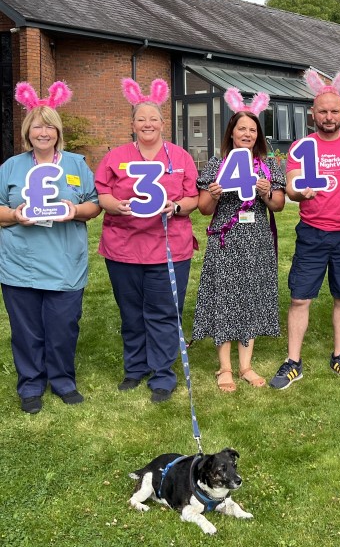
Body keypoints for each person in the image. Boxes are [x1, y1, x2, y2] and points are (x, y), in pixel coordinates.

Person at [269, 68, 340, 390]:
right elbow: (290, 187)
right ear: (312, 114)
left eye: (334, 111)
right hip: (313, 232)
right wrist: (297, 193)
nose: (329, 117)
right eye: (323, 111)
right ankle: (293, 361)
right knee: (300, 298)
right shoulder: (301, 147)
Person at [95, 78, 198, 403]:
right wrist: (115, 205)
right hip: (123, 248)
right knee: (131, 312)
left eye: (153, 119)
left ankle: (162, 375)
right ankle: (135, 368)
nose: (148, 124)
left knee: (164, 312)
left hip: (169, 249)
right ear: (133, 125)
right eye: (141, 119)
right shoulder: (116, 156)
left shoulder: (180, 156)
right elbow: (102, 194)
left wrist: (177, 206)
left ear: (163, 123)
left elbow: (194, 197)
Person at [0, 82, 100, 414]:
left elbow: (94, 205)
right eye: (38, 126)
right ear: (28, 131)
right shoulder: (11, 167)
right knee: (26, 330)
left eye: (50, 127)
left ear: (58, 132)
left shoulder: (75, 164)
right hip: (20, 264)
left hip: (65, 263)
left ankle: (62, 381)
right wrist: (15, 214)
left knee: (63, 327)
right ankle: (30, 385)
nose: (44, 132)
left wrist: (75, 211)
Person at [191, 89, 285, 392]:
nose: (247, 133)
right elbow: (204, 209)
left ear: (258, 135)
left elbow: (279, 205)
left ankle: (246, 365)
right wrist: (214, 195)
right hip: (226, 240)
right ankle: (225, 367)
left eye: (252, 129)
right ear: (231, 132)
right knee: (225, 296)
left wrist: (266, 192)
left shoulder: (268, 165)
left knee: (251, 297)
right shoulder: (217, 163)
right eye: (241, 128)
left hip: (257, 240)